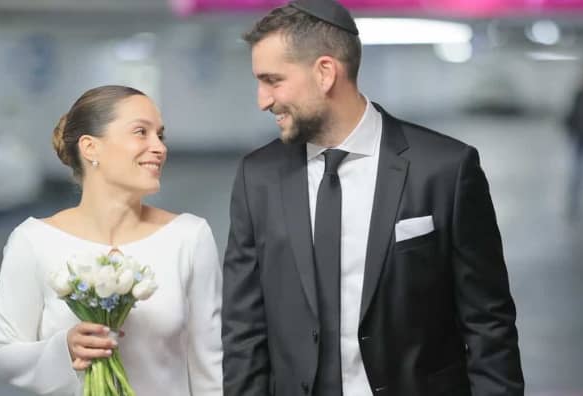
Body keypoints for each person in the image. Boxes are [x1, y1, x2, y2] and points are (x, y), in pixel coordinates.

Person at [221, 1, 524, 395]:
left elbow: (488, 325)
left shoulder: (445, 169)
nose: (263, 99)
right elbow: (243, 330)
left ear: (325, 72)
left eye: (273, 80)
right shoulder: (257, 177)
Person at [0, 85, 223, 396]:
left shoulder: (189, 237)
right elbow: (3, 354)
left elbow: (210, 365)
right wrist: (66, 349)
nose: (160, 148)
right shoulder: (32, 241)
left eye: (160, 135)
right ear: (90, 148)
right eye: (141, 132)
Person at [565, 71, 583, 219]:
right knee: (576, 172)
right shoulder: (579, 95)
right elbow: (571, 115)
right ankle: (572, 202)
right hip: (580, 138)